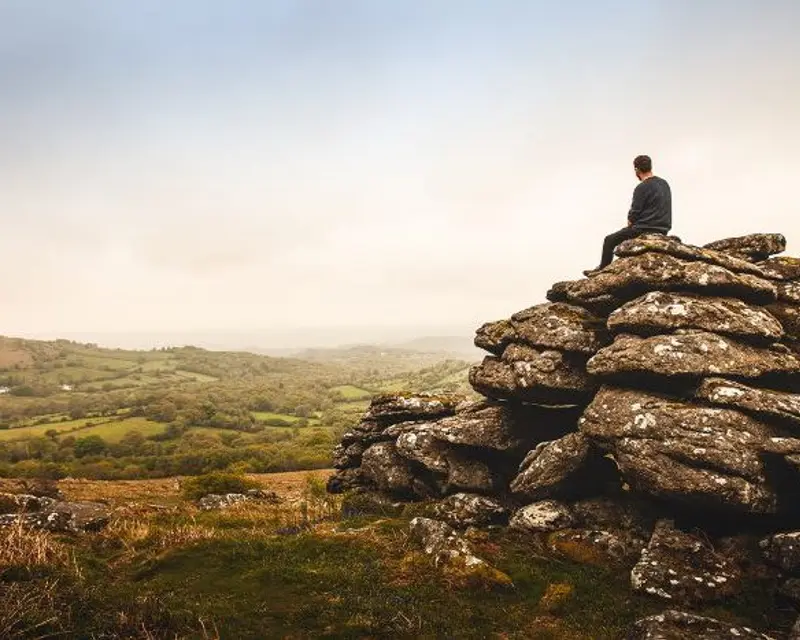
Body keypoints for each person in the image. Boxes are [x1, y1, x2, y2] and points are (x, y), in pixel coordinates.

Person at [584, 155, 672, 276]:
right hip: (663, 229)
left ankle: (602, 270)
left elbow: (634, 213)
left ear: (636, 170)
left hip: (644, 229)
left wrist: (630, 223)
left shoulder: (641, 187)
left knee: (609, 240)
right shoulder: (664, 184)